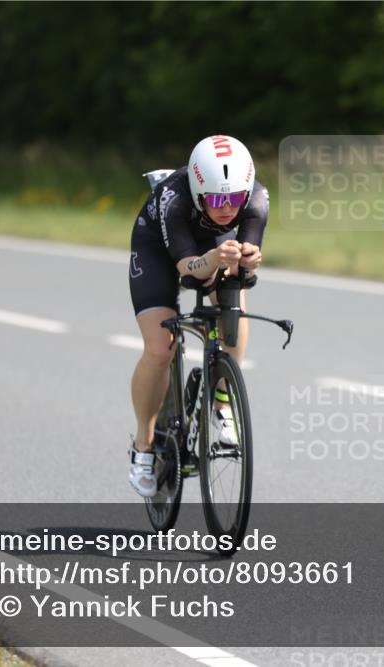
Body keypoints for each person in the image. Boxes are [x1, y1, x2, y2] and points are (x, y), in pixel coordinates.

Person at [127, 135, 267, 497]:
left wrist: (248, 258)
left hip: (208, 243)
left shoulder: (257, 198)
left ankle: (222, 404)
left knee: (237, 296)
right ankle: (143, 445)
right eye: (217, 199)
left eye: (235, 199)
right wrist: (216, 260)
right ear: (198, 189)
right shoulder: (174, 199)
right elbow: (189, 270)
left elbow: (244, 259)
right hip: (159, 248)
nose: (227, 208)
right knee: (160, 348)